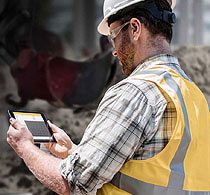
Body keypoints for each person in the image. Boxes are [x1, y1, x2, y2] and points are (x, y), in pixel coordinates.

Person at [7, 0, 210, 194]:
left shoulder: (135, 93)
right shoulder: (193, 96)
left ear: (135, 28)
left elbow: (74, 184)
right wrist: (73, 153)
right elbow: (159, 170)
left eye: (113, 36)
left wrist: (24, 146)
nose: (114, 50)